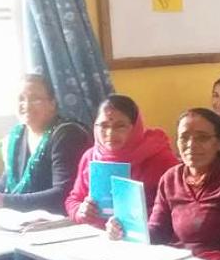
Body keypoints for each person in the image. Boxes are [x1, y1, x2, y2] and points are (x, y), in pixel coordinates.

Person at [107, 108, 220, 260]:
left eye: (202, 138)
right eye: (184, 137)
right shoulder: (170, 179)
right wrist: (126, 230)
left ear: (219, 143)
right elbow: (158, 231)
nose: (191, 145)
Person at [65, 95, 179, 228]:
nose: (110, 133)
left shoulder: (160, 158)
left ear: (135, 126)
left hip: (145, 237)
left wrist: (138, 218)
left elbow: (178, 206)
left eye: (120, 126)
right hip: (97, 237)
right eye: (104, 126)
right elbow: (73, 199)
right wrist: (80, 211)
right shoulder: (90, 157)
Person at [0, 75, 90, 214]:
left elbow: (63, 195)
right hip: (25, 217)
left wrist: (5, 201)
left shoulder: (67, 134)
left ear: (52, 104)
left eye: (35, 99)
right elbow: (7, 182)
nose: (27, 105)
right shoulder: (18, 134)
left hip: (60, 219)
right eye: (21, 99)